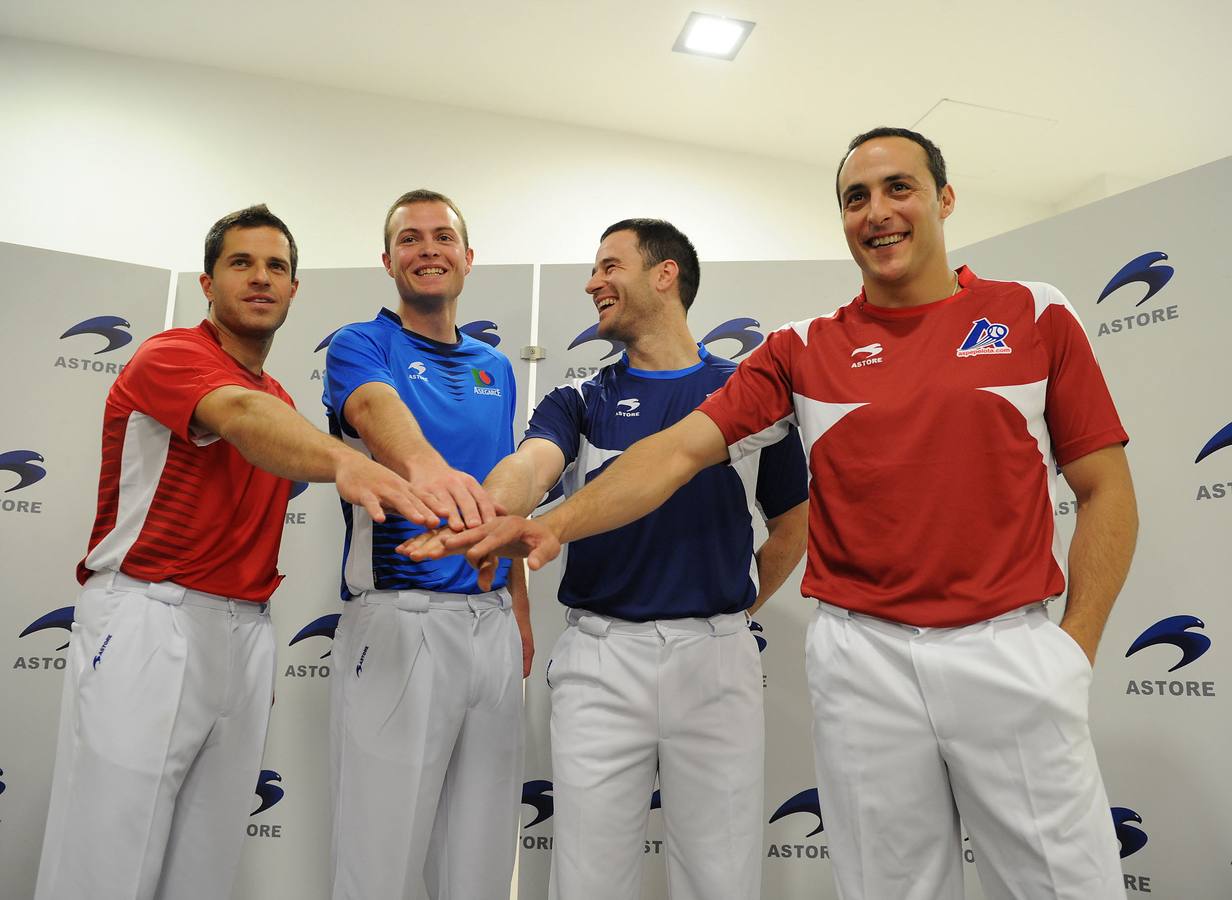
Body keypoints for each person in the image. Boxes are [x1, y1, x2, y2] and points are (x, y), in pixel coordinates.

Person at [417, 130, 1139, 900]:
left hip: (1009, 654)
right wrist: (550, 522)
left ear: (944, 199)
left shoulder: (1033, 312)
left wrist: (1075, 649)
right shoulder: (799, 350)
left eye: (899, 188)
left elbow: (1108, 491)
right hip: (866, 666)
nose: (877, 212)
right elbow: (673, 456)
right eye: (855, 198)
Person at [35, 204, 439, 900]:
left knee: (205, 866)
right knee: (106, 861)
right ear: (207, 282)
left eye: (276, 267)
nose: (260, 278)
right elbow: (243, 421)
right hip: (146, 621)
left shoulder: (279, 396)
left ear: (293, 289)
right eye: (241, 263)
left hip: (242, 634)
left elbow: (269, 420)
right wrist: (352, 465)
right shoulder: (174, 356)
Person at [422, 218, 808, 900]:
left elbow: (793, 524)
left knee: (722, 878)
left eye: (610, 265)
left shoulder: (751, 397)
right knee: (588, 880)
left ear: (666, 275)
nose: (592, 282)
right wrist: (493, 509)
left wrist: (733, 612)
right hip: (601, 664)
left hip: (716, 662)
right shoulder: (580, 398)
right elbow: (530, 465)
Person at [324, 189, 528, 900]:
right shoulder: (362, 343)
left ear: (469, 259)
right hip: (400, 622)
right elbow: (376, 411)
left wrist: (520, 614)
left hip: (491, 625)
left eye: (443, 237)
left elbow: (503, 503)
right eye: (410, 239)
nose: (428, 249)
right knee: (379, 856)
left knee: (479, 861)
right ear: (388, 261)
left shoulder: (496, 367)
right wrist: (426, 466)